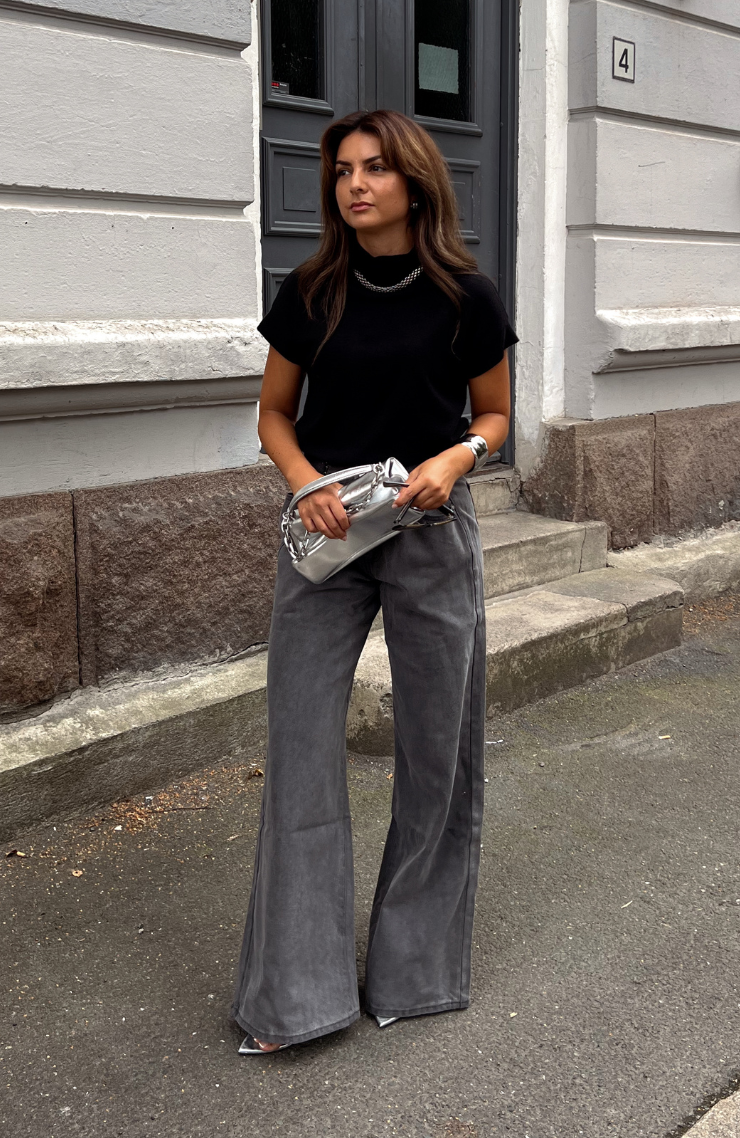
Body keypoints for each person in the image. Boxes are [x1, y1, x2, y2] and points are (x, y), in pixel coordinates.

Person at [231, 109, 517, 1054]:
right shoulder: (311, 291)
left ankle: (415, 974)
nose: (355, 184)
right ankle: (295, 998)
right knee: (302, 748)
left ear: (415, 182)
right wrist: (304, 482)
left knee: (439, 750)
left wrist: (460, 458)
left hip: (432, 526)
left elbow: (495, 414)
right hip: (328, 532)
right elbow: (274, 415)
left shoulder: (467, 297)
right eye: (344, 170)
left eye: (376, 168)